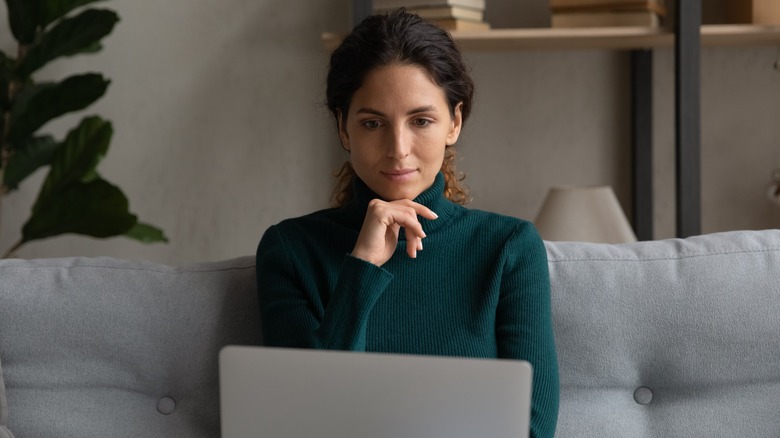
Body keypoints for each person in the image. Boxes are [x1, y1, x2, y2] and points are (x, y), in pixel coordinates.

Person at [256, 9, 559, 437]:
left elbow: (533, 428)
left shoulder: (508, 247)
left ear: (454, 122)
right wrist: (361, 268)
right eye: (373, 123)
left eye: (421, 120)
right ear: (343, 129)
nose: (398, 149)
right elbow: (305, 421)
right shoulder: (289, 250)